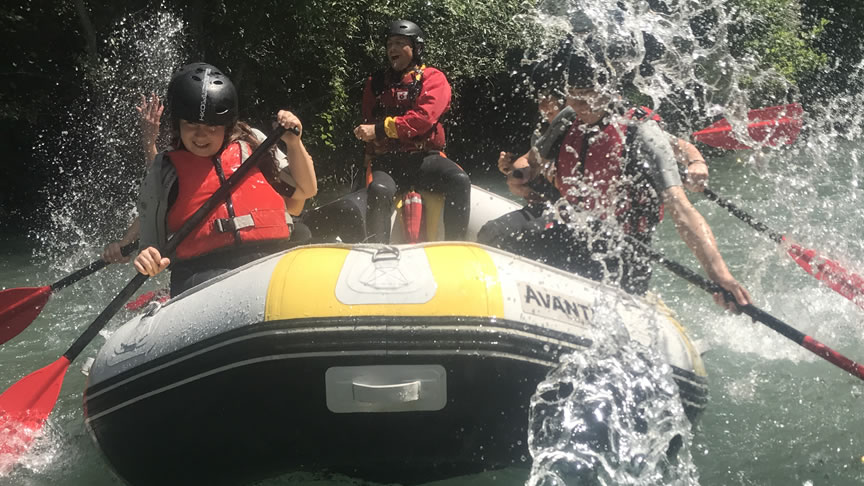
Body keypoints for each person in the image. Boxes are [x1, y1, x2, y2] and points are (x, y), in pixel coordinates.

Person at [479, 40, 750, 311]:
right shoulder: (567, 119)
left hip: (622, 252)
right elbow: (533, 160)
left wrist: (720, 275)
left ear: (612, 94)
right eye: (572, 94)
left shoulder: (641, 132)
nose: (577, 103)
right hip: (577, 230)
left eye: (586, 95)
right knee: (495, 233)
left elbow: (681, 208)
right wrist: (521, 172)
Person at [133, 62, 317, 296]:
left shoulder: (253, 144)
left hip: (270, 256)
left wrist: (294, 143)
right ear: (178, 126)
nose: (201, 135)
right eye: (191, 124)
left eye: (212, 126)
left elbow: (306, 190)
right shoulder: (163, 171)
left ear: (226, 126)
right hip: (202, 272)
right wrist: (148, 257)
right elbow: (151, 245)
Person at [351, 19, 471, 242]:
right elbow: (368, 118)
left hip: (425, 159)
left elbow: (423, 119)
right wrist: (368, 144)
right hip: (389, 161)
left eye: (399, 43)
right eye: (389, 45)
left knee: (459, 180)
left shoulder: (433, 78)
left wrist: (379, 129)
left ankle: (457, 246)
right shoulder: (376, 83)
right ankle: (377, 251)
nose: (392, 49)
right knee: (378, 190)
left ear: (416, 49)